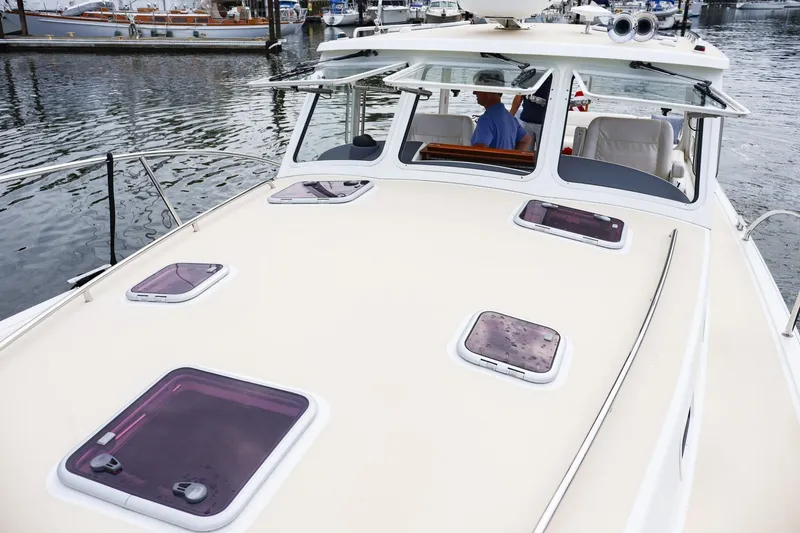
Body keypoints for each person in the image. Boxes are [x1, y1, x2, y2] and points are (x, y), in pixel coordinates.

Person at [470, 70, 532, 151]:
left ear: (489, 91)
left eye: (477, 88)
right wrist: (513, 157)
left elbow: (479, 151)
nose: (474, 92)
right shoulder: (510, 118)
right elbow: (525, 140)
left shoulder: (486, 119)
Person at [510, 75, 552, 151]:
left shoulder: (553, 77)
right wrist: (510, 117)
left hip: (545, 124)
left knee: (542, 152)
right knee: (525, 154)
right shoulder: (528, 75)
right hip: (526, 121)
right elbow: (519, 96)